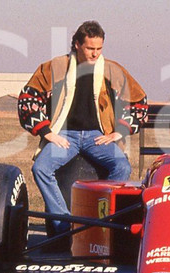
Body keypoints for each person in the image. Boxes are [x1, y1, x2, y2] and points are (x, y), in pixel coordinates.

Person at [18, 20, 148, 240]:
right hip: (65, 135)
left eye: (99, 49)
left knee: (122, 167)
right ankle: (64, 227)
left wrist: (120, 131)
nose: (95, 54)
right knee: (41, 168)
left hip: (97, 136)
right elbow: (28, 98)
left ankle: (103, 224)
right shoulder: (55, 67)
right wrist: (47, 132)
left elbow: (140, 101)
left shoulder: (112, 70)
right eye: (90, 48)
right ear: (77, 44)